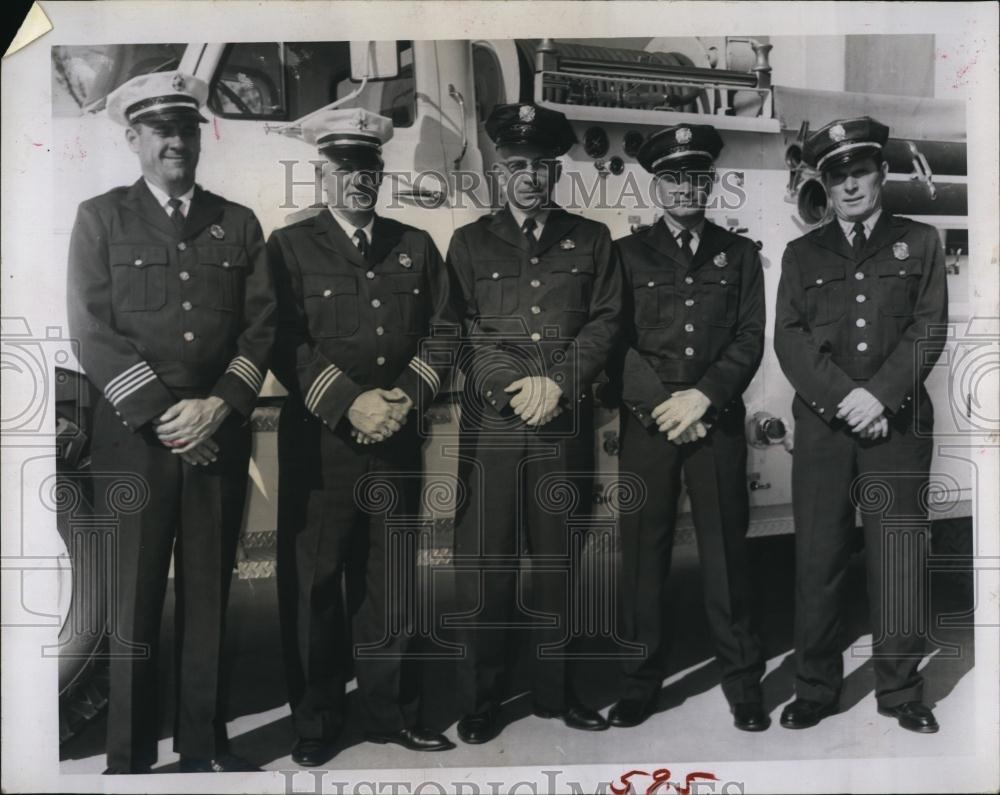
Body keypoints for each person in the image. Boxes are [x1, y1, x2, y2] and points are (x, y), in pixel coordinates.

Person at [67, 71, 275, 773]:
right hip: (136, 437)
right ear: (134, 139)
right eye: (161, 132)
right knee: (133, 599)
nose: (176, 144)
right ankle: (127, 758)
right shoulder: (101, 217)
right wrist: (163, 413)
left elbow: (261, 326)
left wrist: (219, 404)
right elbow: (90, 329)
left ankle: (203, 745)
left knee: (210, 593)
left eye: (186, 130)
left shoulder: (238, 222)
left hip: (217, 430)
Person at [268, 108, 457, 767]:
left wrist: (405, 395)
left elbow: (445, 329)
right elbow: (283, 339)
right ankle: (317, 720)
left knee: (392, 579)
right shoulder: (289, 247)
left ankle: (391, 711)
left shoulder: (415, 244)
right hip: (323, 443)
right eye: (344, 167)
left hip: (397, 437)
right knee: (315, 583)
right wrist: (350, 404)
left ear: (380, 174)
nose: (357, 178)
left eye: (368, 167)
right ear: (322, 173)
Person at [447, 103, 622, 744]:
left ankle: (558, 692)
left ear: (556, 170)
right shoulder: (470, 241)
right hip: (493, 428)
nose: (528, 176)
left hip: (559, 425)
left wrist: (559, 383)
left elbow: (605, 321)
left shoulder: (592, 239)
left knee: (558, 566)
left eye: (541, 166)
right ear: (499, 169)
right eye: (516, 165)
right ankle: (482, 697)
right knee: (487, 567)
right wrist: (506, 385)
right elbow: (460, 328)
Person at [774, 116, 948, 733]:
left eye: (860, 171)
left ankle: (900, 691)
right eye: (837, 175)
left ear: (881, 173)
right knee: (818, 561)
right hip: (825, 429)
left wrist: (879, 397)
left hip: (896, 427)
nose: (850, 186)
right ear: (825, 183)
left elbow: (928, 327)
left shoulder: (919, 241)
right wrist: (845, 401)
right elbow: (789, 339)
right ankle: (815, 688)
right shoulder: (802, 254)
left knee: (897, 559)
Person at [605, 124, 769, 732]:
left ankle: (743, 685)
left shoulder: (740, 253)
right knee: (642, 561)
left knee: (728, 556)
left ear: (709, 182)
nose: (683, 187)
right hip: (651, 427)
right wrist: (661, 405)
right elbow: (615, 341)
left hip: (716, 423)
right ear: (656, 184)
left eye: (694, 176)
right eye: (672, 177)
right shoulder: (626, 255)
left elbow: (750, 336)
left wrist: (702, 397)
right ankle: (639, 683)